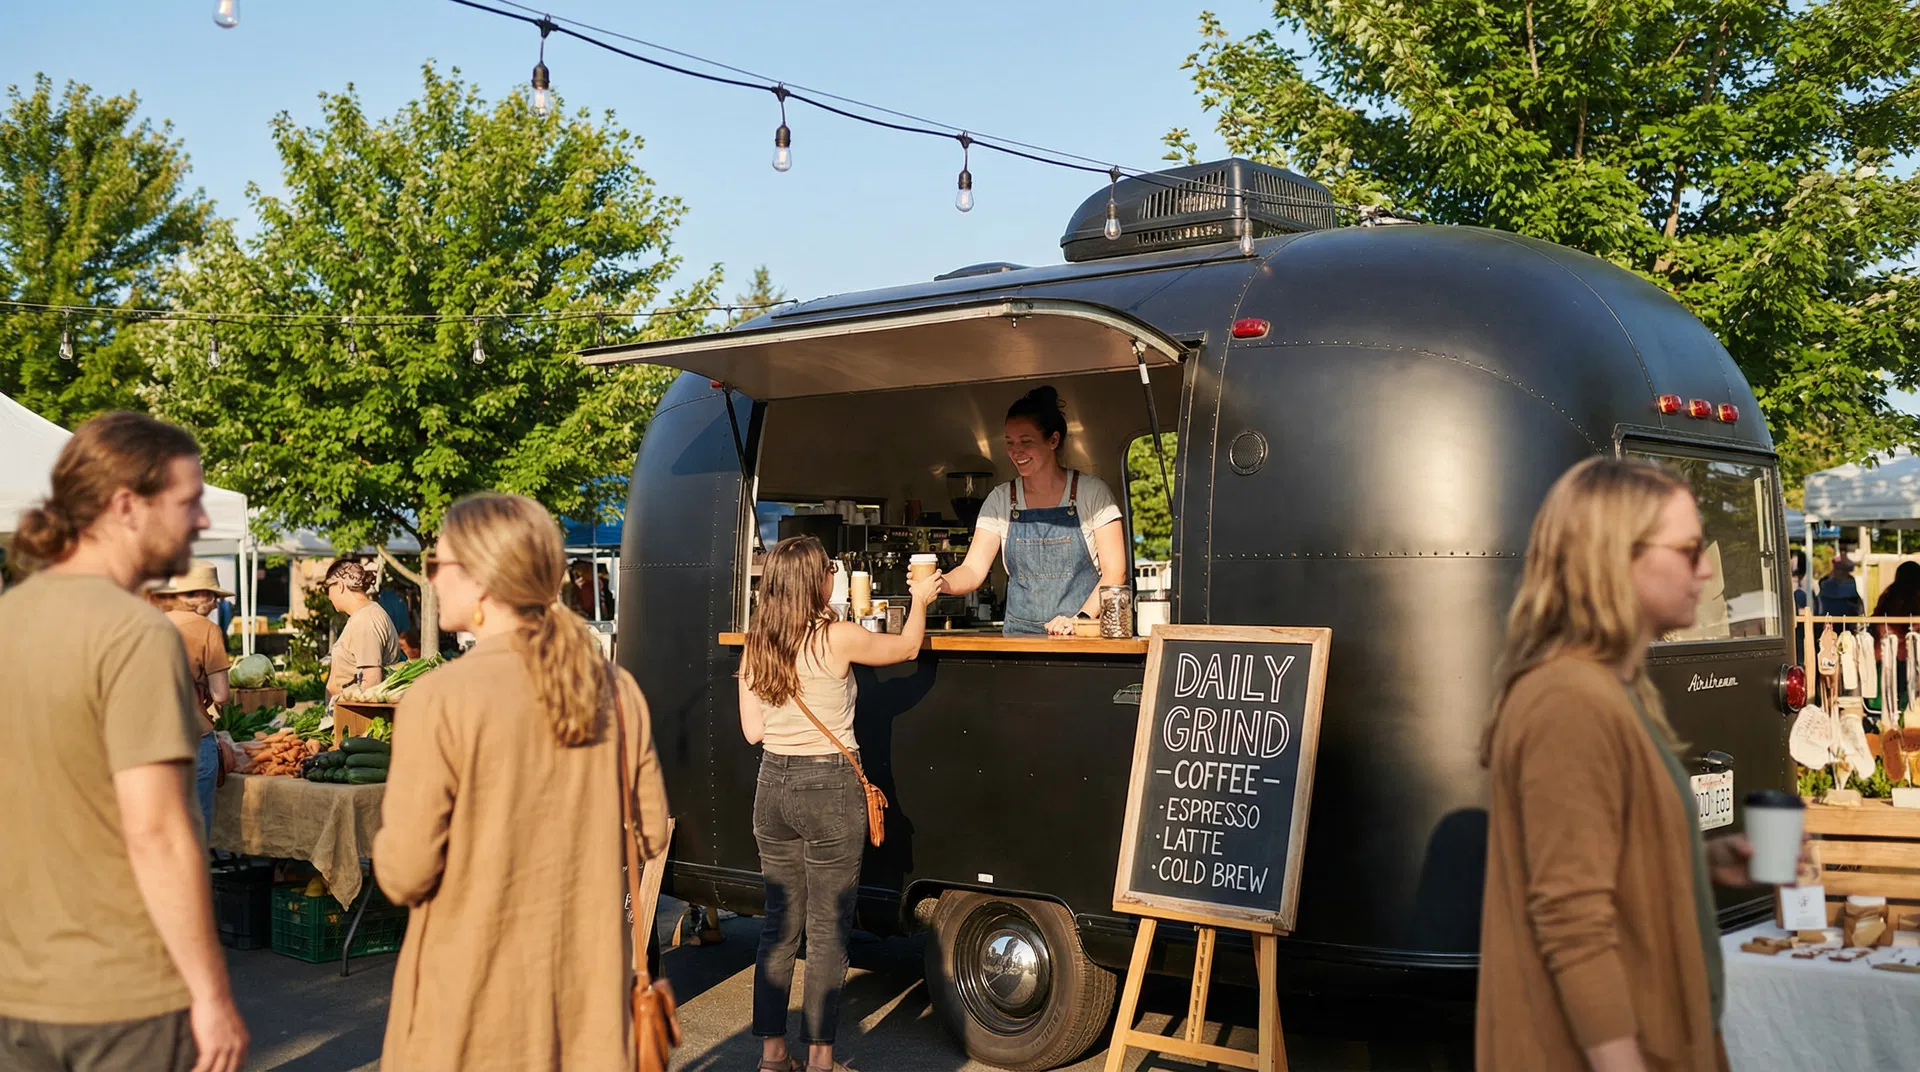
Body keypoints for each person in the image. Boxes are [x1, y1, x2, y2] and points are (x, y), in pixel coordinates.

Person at [1479, 456, 1771, 1072]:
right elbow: (1572, 923)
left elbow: (1608, 859)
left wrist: (1705, 859)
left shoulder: (1616, 691)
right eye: (1690, 549)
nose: (1709, 567)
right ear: (1616, 556)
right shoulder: (1568, 701)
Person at [374, 492, 669, 1070]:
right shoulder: (616, 690)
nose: (431, 577)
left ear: (482, 581)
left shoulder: (440, 698)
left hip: (472, 1003)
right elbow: (651, 833)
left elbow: (404, 872)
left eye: (439, 563)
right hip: (584, 998)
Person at [0, 412, 248, 1072]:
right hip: (120, 996)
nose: (201, 521)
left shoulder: (10, 618)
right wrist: (212, 994)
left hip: (20, 990)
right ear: (125, 506)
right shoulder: (136, 635)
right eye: (189, 500)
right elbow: (159, 832)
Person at [738, 536, 942, 1072]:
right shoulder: (839, 637)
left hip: (772, 788)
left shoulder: (756, 644)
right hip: (828, 789)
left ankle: (772, 1054)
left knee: (779, 926)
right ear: (816, 582)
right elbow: (907, 650)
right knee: (827, 928)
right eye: (829, 568)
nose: (834, 574)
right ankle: (823, 1059)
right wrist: (920, 601)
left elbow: (753, 731)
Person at [938, 385, 1127, 635]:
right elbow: (972, 570)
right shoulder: (1000, 500)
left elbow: (1116, 572)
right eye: (1010, 443)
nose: (1016, 452)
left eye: (1026, 442)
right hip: (1020, 641)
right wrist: (942, 583)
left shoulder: (1092, 493)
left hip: (1080, 639)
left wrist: (1078, 619)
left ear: (1053, 440)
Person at [152, 561, 236, 839]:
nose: (214, 605)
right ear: (203, 596)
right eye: (213, 598)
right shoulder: (208, 630)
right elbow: (222, 695)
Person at [322, 559, 402, 700]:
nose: (328, 596)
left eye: (327, 588)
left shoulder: (366, 619)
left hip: (354, 717)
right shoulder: (363, 615)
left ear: (340, 585)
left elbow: (371, 681)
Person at [1819, 553, 1866, 619]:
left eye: (1843, 569)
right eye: (1839, 568)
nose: (1840, 572)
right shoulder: (1826, 582)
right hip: (1829, 619)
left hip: (1848, 620)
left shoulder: (1851, 581)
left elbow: (1856, 602)